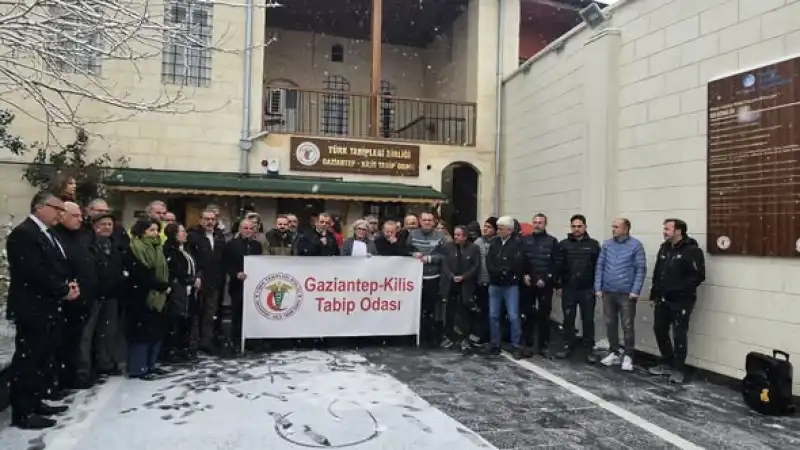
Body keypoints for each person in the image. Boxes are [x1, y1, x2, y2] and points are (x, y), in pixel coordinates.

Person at [6, 191, 77, 429]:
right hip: (32, 308)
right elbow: (34, 272)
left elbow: (57, 266)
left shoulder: (47, 234)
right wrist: (61, 290)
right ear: (39, 207)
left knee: (43, 357)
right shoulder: (24, 235)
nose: (60, 214)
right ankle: (23, 411)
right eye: (57, 209)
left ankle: (37, 400)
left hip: (48, 306)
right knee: (29, 359)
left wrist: (67, 285)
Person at [648, 219, 705, 384]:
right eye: (664, 228)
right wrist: (654, 294)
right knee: (659, 329)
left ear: (679, 231)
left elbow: (698, 276)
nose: (664, 231)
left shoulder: (692, 250)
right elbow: (658, 272)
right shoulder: (664, 247)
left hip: (681, 301)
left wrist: (677, 289)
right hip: (662, 299)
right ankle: (667, 361)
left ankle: (679, 369)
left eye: (667, 229)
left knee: (679, 334)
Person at [52, 202, 98, 389]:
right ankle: (64, 379)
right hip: (67, 299)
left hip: (85, 298)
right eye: (75, 216)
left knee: (78, 340)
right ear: (62, 216)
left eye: (80, 215)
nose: (80, 219)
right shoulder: (57, 237)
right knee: (67, 343)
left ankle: (74, 375)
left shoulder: (81, 236)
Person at [595, 218, 647, 371]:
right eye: (613, 226)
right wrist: (598, 287)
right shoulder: (607, 245)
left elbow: (640, 269)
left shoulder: (636, 245)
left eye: (617, 227)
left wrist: (635, 290)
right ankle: (614, 351)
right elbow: (600, 266)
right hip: (608, 292)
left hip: (626, 294)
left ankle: (629, 354)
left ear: (626, 229)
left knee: (627, 325)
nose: (614, 229)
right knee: (610, 323)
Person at [125, 218, 171, 379]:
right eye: (151, 230)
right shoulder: (135, 247)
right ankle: (138, 367)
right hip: (141, 295)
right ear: (142, 231)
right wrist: (160, 285)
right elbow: (140, 273)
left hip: (158, 296)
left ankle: (151, 364)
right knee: (141, 335)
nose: (155, 233)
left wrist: (164, 285)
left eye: (157, 230)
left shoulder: (158, 247)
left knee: (155, 332)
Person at [554, 214, 601, 362]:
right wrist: (558, 285)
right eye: (574, 226)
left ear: (585, 227)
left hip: (587, 289)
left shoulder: (594, 245)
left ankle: (589, 350)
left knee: (588, 320)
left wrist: (597, 286)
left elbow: (598, 267)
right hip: (569, 288)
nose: (576, 229)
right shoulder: (563, 244)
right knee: (568, 319)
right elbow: (558, 266)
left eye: (579, 226)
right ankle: (568, 346)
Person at [90, 212, 128, 375]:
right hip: (94, 295)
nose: (106, 227)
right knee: (90, 333)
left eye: (110, 224)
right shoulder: (89, 244)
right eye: (103, 224)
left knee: (109, 331)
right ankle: (90, 366)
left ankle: (106, 362)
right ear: (95, 226)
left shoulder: (116, 245)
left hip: (112, 295)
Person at [484, 216, 525, 358]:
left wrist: (505, 272)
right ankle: (495, 343)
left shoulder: (518, 243)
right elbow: (489, 260)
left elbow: (518, 263)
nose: (498, 231)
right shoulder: (495, 242)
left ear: (509, 230)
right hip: (495, 283)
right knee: (493, 315)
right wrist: (496, 272)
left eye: (501, 229)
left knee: (513, 316)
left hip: (510, 285)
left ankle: (516, 345)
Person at [187, 208, 227, 353]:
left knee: (210, 314)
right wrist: (196, 276)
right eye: (207, 219)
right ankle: (193, 343)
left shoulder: (219, 236)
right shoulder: (192, 236)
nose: (210, 222)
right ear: (200, 220)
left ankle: (206, 342)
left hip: (215, 280)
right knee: (196, 313)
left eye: (212, 219)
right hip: (198, 280)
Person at [521, 213, 560, 357]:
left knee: (544, 315)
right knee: (528, 315)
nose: (537, 224)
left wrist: (546, 278)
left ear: (545, 224)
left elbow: (555, 263)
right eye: (535, 222)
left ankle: (543, 345)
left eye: (540, 222)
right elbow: (521, 259)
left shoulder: (552, 241)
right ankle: (528, 344)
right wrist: (524, 274)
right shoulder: (524, 240)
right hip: (527, 283)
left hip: (545, 284)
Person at [162, 223, 200, 362]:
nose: (185, 234)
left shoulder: (185, 249)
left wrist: (196, 278)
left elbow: (193, 265)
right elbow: (176, 270)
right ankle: (172, 350)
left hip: (188, 290)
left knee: (187, 319)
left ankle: (183, 348)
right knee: (175, 320)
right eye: (182, 232)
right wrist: (189, 279)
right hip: (178, 289)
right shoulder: (169, 250)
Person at [439, 225, 481, 351]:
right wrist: (452, 276)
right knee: (450, 311)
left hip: (466, 284)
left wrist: (464, 276)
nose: (456, 237)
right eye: (455, 234)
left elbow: (476, 265)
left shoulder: (473, 248)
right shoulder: (449, 247)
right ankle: (450, 336)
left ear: (465, 236)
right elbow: (445, 263)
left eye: (458, 235)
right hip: (452, 283)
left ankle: (465, 337)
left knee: (464, 312)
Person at [222, 219, 262, 349]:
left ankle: (251, 339)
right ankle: (236, 339)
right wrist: (236, 274)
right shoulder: (231, 244)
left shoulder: (257, 245)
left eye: (251, 228)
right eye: (245, 228)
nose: (248, 231)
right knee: (237, 313)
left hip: (254, 285)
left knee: (253, 313)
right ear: (240, 229)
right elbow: (227, 263)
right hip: (237, 285)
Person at [408, 212, 445, 346]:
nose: (427, 222)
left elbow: (444, 255)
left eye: (430, 220)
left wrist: (429, 259)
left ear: (434, 222)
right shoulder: (412, 234)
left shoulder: (440, 236)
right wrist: (413, 254)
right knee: (416, 308)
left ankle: (428, 337)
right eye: (424, 220)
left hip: (432, 277)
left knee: (430, 309)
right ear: (420, 221)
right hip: (415, 278)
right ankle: (415, 335)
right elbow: (405, 250)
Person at [471, 217, 497, 345]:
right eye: (485, 226)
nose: (485, 229)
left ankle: (494, 336)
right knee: (483, 309)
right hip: (481, 280)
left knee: (494, 311)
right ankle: (483, 334)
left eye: (489, 227)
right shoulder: (478, 242)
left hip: (495, 281)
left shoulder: (498, 242)